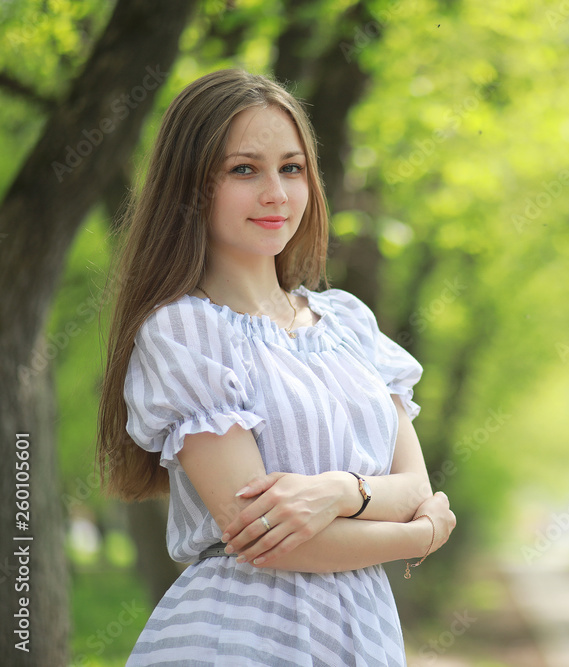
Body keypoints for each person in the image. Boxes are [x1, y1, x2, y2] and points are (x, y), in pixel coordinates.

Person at [96, 68, 456, 666]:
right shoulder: (186, 332)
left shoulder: (348, 323)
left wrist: (337, 492)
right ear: (190, 186)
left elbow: (416, 486)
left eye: (291, 168)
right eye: (245, 169)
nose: (277, 193)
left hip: (361, 637)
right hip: (241, 638)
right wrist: (415, 536)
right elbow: (264, 540)